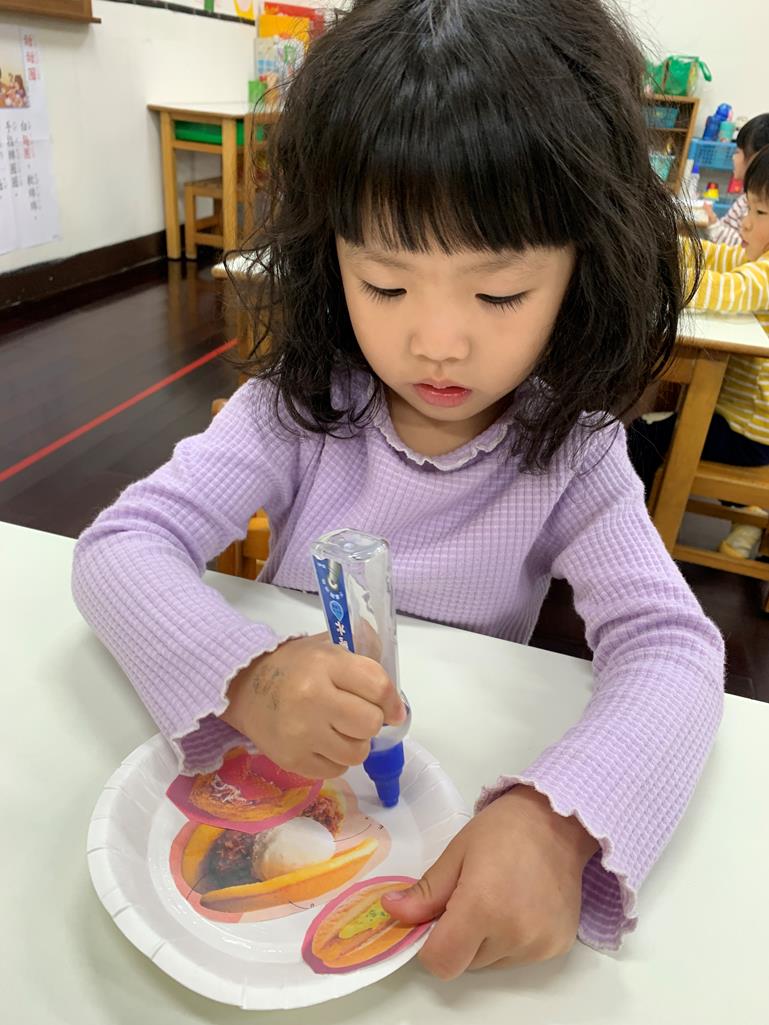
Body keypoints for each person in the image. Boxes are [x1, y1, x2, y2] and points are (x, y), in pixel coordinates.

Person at [72, 0, 723, 980]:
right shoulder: (294, 409)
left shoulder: (575, 454)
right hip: (288, 794)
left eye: (499, 293)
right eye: (384, 284)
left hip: (436, 817)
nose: (437, 343)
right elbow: (120, 548)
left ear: (582, 271)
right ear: (328, 258)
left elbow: (672, 647)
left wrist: (558, 822)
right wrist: (251, 676)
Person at [629, 146, 769, 558]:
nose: (746, 221)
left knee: (644, 438)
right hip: (740, 424)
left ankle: (631, 541)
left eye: (760, 212)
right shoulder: (759, 256)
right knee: (660, 423)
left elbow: (733, 289)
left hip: (749, 435)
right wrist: (664, 246)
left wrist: (662, 274)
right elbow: (719, 256)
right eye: (748, 207)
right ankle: (745, 512)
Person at [705, 113, 769, 245]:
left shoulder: (759, 201)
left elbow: (742, 246)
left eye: (738, 152)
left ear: (758, 158)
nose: (733, 157)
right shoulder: (746, 199)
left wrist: (714, 224)